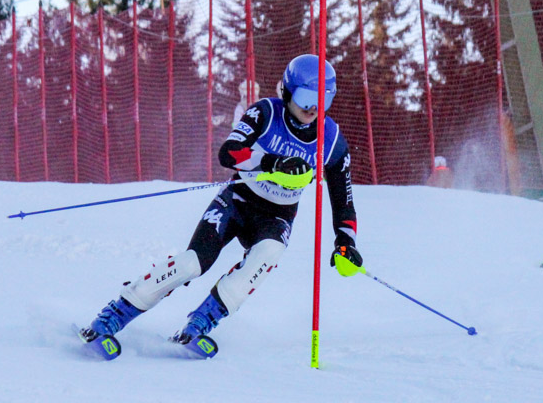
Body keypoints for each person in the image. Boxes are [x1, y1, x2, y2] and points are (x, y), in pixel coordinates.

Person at [78, 54, 362, 352]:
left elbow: (343, 198)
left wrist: (346, 242)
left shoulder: (331, 140)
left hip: (278, 215)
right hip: (238, 201)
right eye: (306, 97)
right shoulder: (265, 112)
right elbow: (229, 153)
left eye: (323, 99)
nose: (313, 108)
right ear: (288, 92)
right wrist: (272, 162)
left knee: (267, 255)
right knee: (192, 264)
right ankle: (112, 316)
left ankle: (198, 325)